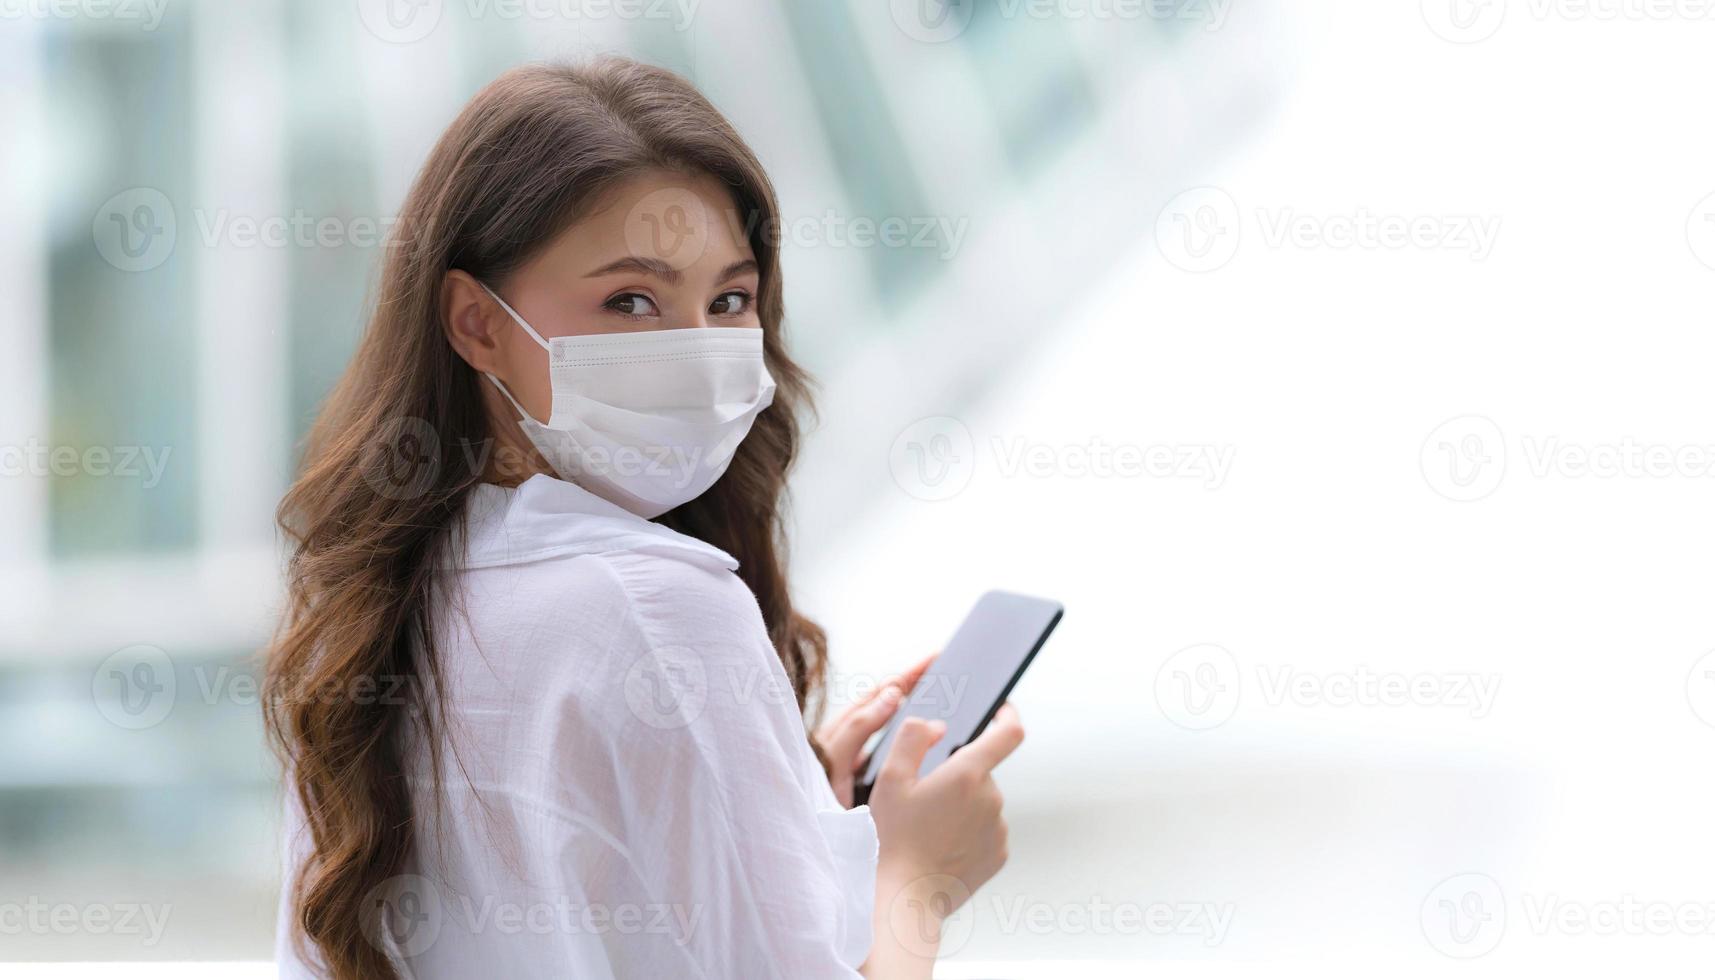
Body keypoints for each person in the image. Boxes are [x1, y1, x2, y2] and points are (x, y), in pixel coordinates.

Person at [264, 58, 1023, 979]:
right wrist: (915, 880)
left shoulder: (372, 610)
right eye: (631, 301)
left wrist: (768, 808)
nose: (697, 348)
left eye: (729, 300)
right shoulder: (658, 606)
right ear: (476, 322)